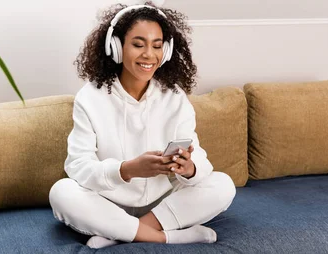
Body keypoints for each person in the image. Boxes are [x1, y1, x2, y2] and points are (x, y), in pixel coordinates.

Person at [48, 2, 236, 249]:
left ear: (166, 51)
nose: (149, 54)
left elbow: (199, 158)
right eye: (138, 44)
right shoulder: (90, 97)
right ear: (116, 47)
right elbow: (78, 166)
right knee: (61, 192)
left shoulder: (174, 96)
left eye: (157, 46)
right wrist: (128, 170)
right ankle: (164, 237)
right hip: (108, 202)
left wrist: (188, 167)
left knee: (223, 184)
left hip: (163, 203)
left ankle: (122, 232)